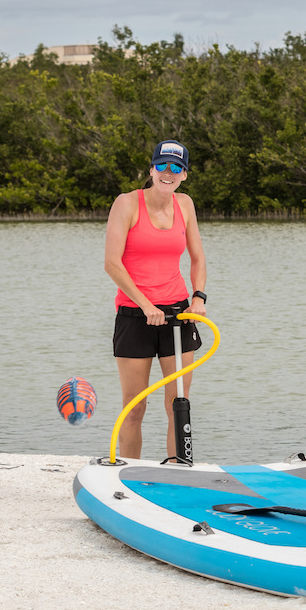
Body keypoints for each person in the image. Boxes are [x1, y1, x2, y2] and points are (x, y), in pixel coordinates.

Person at [104, 139, 208, 460]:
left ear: (185, 175)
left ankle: (179, 470)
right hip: (135, 315)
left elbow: (198, 259)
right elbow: (112, 263)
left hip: (179, 315)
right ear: (151, 169)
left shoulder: (185, 205)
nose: (168, 172)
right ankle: (128, 474)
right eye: (162, 165)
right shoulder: (127, 203)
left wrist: (199, 297)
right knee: (134, 407)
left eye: (176, 168)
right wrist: (145, 304)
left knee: (179, 403)